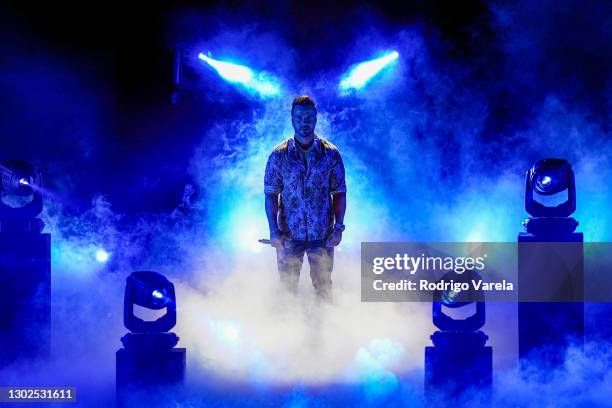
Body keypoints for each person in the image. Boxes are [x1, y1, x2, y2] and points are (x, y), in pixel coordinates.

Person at [264, 95, 347, 301]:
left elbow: (340, 192)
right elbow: (271, 195)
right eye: (299, 117)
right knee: (287, 291)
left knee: (324, 290)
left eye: (309, 117)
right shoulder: (278, 155)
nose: (304, 122)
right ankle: (287, 331)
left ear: (316, 118)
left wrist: (339, 228)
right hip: (288, 236)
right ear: (292, 119)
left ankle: (325, 330)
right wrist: (274, 231)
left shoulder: (331, 154)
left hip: (323, 235)